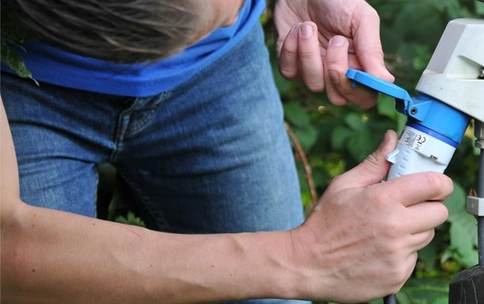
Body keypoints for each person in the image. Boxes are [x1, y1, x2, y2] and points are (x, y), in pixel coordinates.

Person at [0, 0, 453, 303]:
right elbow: (9, 251)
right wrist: (303, 257)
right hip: (23, 83)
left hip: (220, 70)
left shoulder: (223, 27)